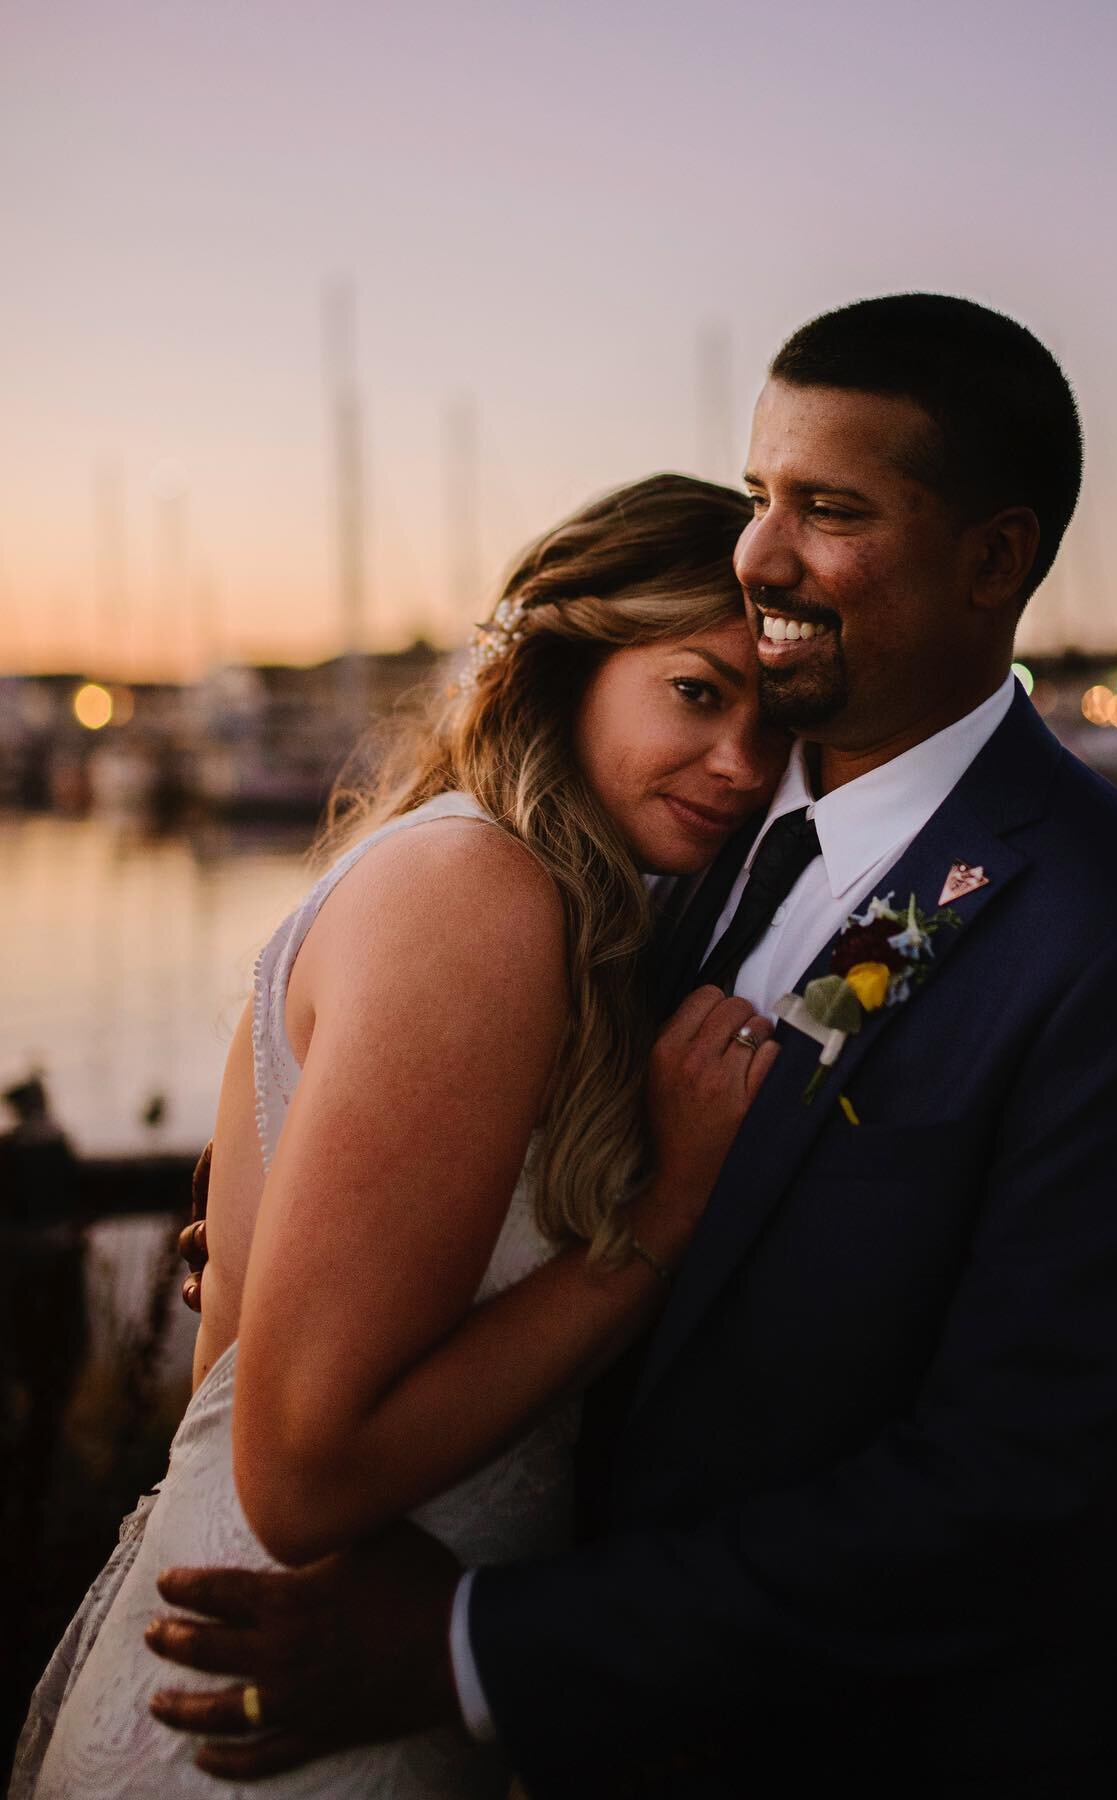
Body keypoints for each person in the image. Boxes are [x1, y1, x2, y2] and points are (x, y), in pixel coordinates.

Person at [146, 294, 1117, 1798]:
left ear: (996, 558)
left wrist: (475, 1645)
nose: (761, 556)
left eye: (830, 509)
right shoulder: (667, 845)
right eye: (760, 496)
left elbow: (1017, 1491)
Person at [7, 473, 791, 1800]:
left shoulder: (521, 891)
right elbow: (302, 1479)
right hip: (300, 1715)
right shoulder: (477, 896)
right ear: (569, 665)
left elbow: (230, 1359)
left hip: (321, 1670)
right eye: (699, 692)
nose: (743, 766)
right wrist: (664, 1218)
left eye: (778, 722)